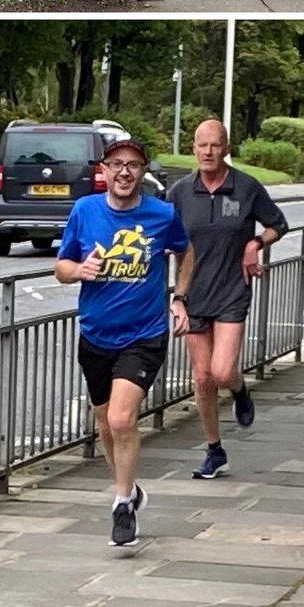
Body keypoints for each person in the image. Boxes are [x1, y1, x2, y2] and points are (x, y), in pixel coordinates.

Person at [55, 137, 193, 548]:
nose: (124, 172)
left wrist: (180, 298)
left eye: (133, 165)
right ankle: (131, 490)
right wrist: (80, 270)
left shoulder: (162, 214)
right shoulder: (85, 210)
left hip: (144, 335)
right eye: (116, 164)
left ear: (143, 171)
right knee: (105, 424)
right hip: (96, 334)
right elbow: (61, 267)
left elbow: (186, 252)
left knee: (120, 419)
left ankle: (120, 506)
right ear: (104, 170)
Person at [168, 119, 289, 480]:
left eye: (215, 145)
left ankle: (239, 389)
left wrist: (255, 243)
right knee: (202, 378)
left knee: (221, 371)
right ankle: (214, 450)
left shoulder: (247, 188)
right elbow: (161, 237)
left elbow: (277, 225)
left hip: (232, 291)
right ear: (193, 149)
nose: (208, 152)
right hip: (192, 294)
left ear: (227, 148)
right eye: (201, 145)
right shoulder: (179, 193)